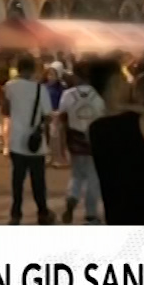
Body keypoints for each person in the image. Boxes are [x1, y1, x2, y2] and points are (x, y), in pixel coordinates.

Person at [85, 61, 144, 225]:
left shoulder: (93, 130)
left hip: (117, 214)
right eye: (123, 79)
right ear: (115, 83)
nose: (129, 84)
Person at [55, 62, 109, 224]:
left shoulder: (68, 95)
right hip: (94, 141)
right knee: (93, 178)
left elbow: (62, 120)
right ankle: (91, 214)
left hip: (75, 141)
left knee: (77, 175)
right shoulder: (100, 96)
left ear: (76, 75)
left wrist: (62, 144)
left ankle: (72, 197)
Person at [3, 55, 53, 225]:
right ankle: (43, 212)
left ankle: (16, 213)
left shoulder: (10, 86)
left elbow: (6, 110)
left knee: (17, 180)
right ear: (33, 69)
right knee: (38, 180)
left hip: (16, 140)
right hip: (36, 143)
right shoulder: (41, 89)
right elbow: (48, 115)